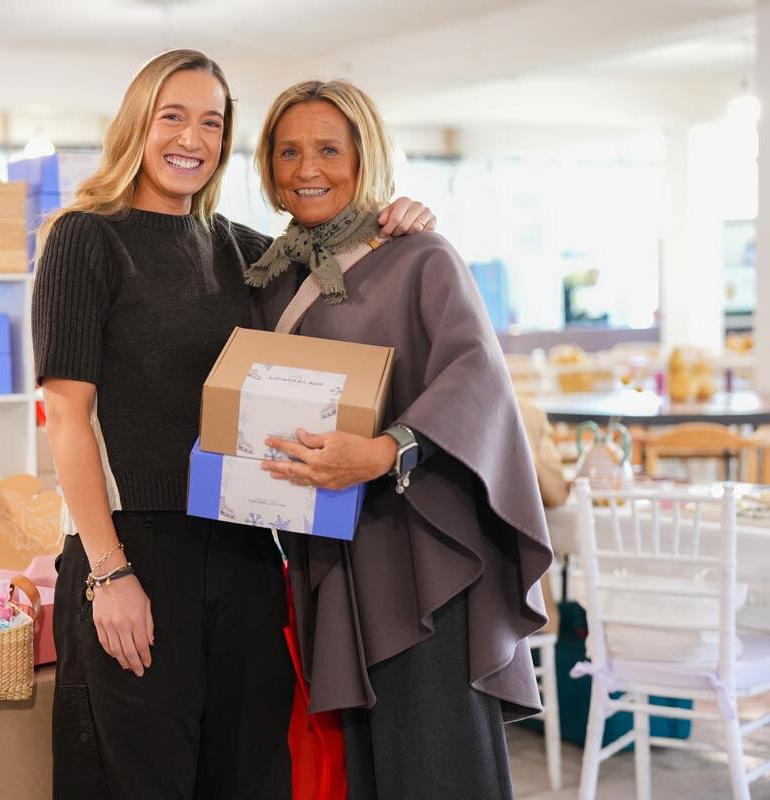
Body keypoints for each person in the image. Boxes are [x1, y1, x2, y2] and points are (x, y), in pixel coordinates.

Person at [32, 51, 434, 799]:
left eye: (211, 122)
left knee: (251, 777)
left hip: (249, 548)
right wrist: (108, 572)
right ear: (138, 126)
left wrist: (397, 219)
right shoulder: (86, 239)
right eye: (172, 116)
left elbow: (348, 263)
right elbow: (66, 418)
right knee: (137, 781)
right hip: (135, 549)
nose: (192, 138)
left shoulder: (243, 249)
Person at [246, 79, 554, 799]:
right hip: (326, 553)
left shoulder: (419, 255)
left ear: (365, 156)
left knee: (434, 761)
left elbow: (477, 378)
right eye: (287, 152)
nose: (306, 168)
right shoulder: (272, 274)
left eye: (328, 149)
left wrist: (385, 450)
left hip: (417, 551)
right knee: (366, 772)